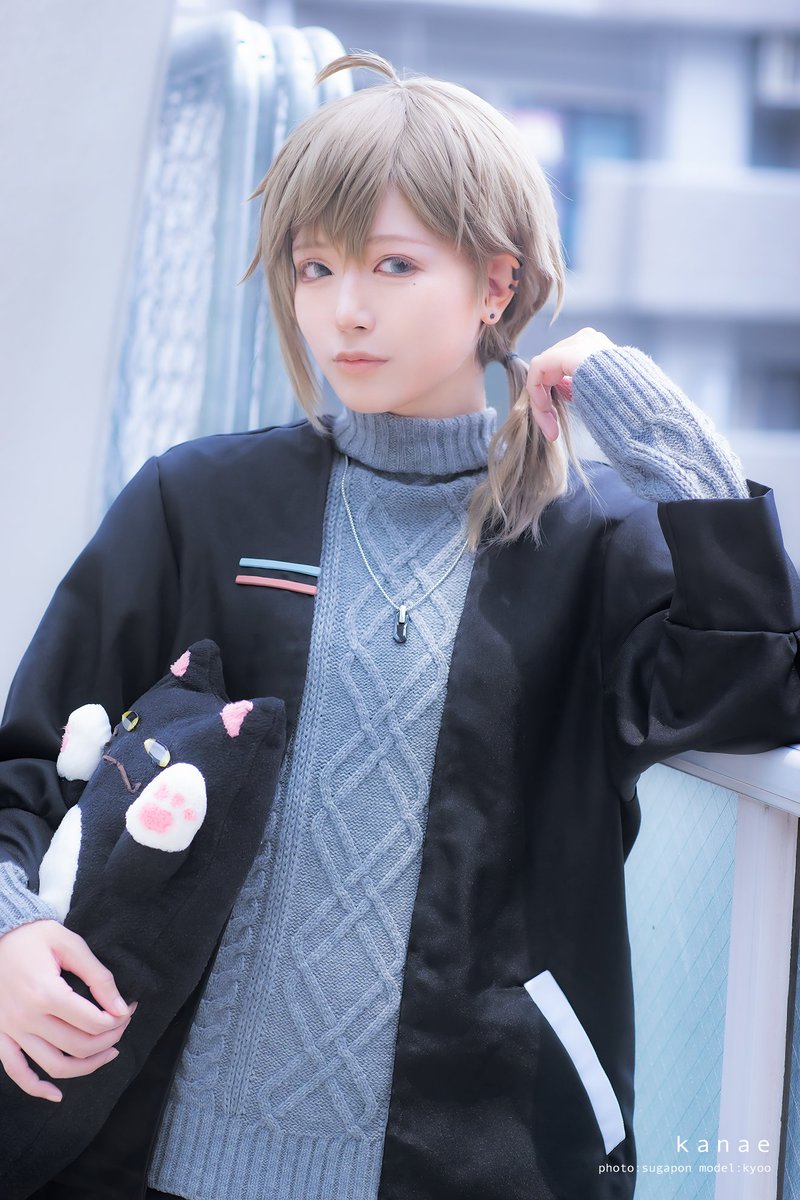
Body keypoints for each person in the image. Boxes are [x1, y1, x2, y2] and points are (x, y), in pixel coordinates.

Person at [0, 48, 798, 1200]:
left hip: (471, 1155)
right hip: (135, 1148)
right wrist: (12, 930)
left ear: (494, 284)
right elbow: (27, 759)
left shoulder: (588, 544)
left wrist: (652, 428)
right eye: (314, 267)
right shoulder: (199, 504)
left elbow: (755, 691)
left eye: (391, 264)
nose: (346, 310)